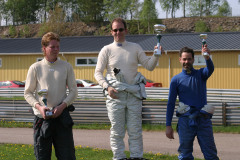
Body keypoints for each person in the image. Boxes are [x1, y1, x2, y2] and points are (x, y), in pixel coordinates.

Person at [94, 17, 162, 160]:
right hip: (115, 96)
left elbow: (149, 66)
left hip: (133, 95)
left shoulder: (135, 47)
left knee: (135, 131)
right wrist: (107, 88)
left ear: (126, 30)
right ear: (111, 32)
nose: (118, 32)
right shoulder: (106, 50)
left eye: (120, 29)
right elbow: (97, 73)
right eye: (115, 30)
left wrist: (156, 55)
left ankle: (136, 157)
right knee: (117, 132)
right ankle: (118, 157)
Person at [24, 32, 78, 160]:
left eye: (58, 46)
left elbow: (74, 91)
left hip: (62, 119)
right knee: (42, 157)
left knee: (67, 157)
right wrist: (39, 107)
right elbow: (27, 93)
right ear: (44, 48)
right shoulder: (35, 68)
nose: (56, 50)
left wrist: (62, 106)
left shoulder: (66, 67)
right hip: (42, 120)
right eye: (52, 47)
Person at [165, 45, 219, 160]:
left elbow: (210, 69)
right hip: (185, 121)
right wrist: (168, 125)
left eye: (189, 59)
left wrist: (207, 58)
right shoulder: (176, 80)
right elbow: (171, 103)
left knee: (211, 154)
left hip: (203, 120)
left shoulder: (201, 74)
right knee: (185, 155)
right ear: (180, 60)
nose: (186, 62)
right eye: (184, 59)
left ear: (193, 60)